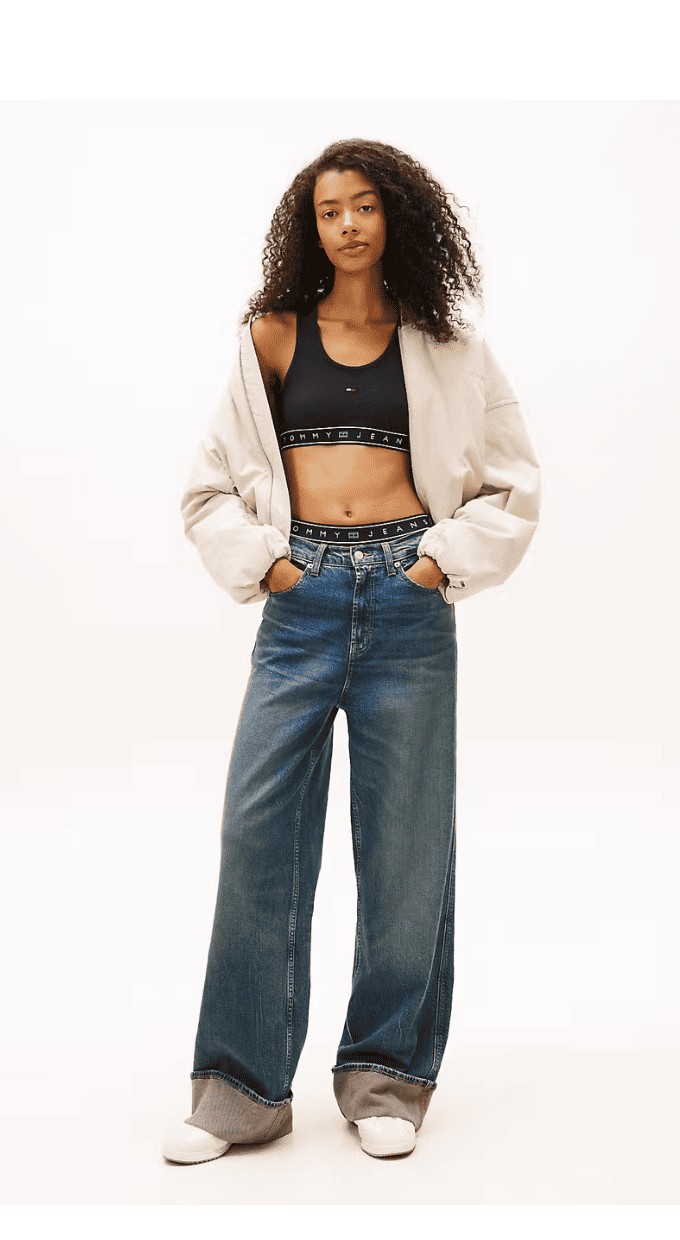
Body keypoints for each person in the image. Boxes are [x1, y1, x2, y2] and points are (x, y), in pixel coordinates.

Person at [161, 139, 540, 1164]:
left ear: (395, 216)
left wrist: (439, 562)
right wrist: (270, 568)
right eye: (329, 210)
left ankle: (386, 1075)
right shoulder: (272, 338)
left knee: (406, 845)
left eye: (364, 205)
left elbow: (512, 480)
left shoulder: (450, 346)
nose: (347, 225)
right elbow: (206, 488)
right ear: (309, 226)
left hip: (409, 604)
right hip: (302, 603)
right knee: (258, 835)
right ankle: (240, 1092)